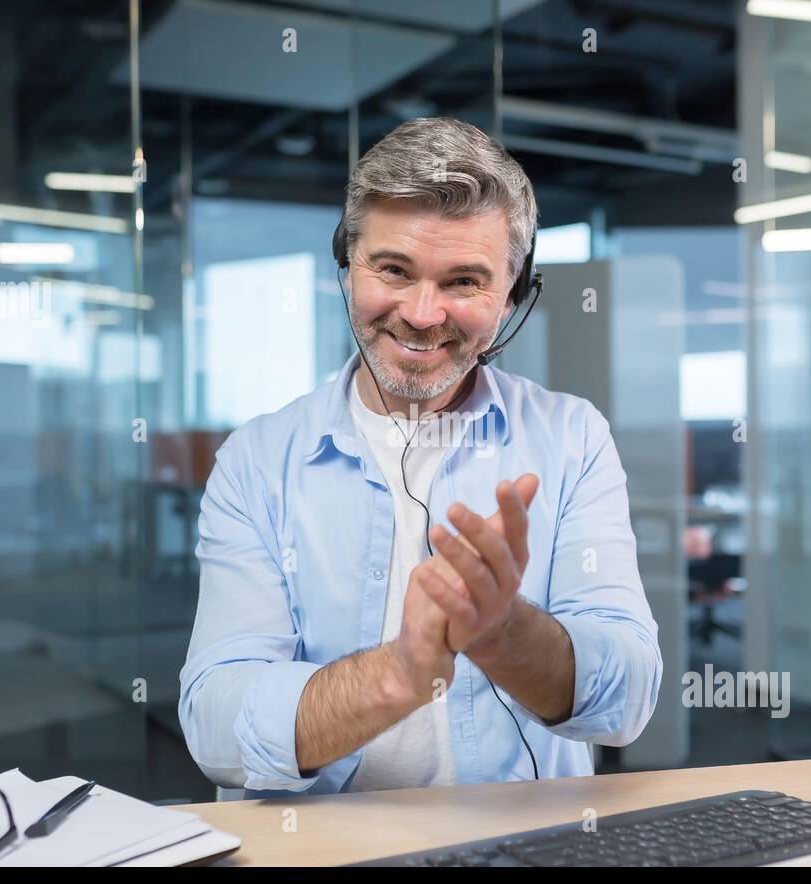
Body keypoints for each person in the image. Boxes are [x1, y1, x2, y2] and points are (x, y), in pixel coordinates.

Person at [179, 116, 660, 796]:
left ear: (514, 291)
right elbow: (215, 724)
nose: (423, 313)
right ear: (348, 264)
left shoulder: (572, 437)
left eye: (464, 281)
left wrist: (504, 633)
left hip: (516, 843)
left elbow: (629, 700)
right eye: (394, 270)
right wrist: (398, 675)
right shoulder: (256, 462)